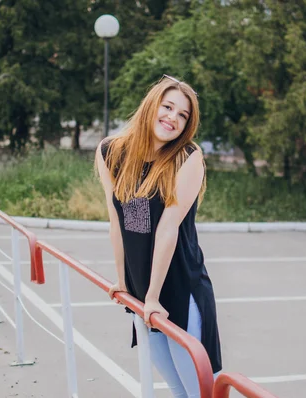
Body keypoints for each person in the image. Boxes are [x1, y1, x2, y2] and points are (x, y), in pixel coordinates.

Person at [95, 74, 222, 397]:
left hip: (180, 288)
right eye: (168, 107)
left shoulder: (186, 157)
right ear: (152, 105)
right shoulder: (111, 151)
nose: (173, 119)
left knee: (198, 392)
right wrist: (124, 281)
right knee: (178, 389)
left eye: (183, 115)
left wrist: (152, 296)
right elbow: (119, 221)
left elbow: (168, 229)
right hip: (143, 292)